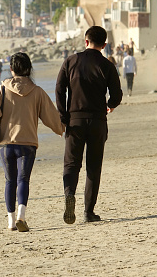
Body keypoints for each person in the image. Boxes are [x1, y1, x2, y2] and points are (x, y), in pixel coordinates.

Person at [0, 52, 64, 232]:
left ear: (12, 69)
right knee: (23, 179)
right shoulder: (37, 91)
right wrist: (60, 129)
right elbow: (50, 116)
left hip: (6, 143)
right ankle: (22, 215)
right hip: (28, 143)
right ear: (29, 69)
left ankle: (11, 222)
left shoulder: (2, 89)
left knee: (9, 180)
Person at [55, 26, 123, 224]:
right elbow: (117, 95)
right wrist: (109, 106)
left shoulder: (71, 61)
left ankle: (69, 194)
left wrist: (63, 116)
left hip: (74, 121)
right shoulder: (107, 65)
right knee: (93, 167)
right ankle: (88, 212)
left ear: (86, 42)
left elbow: (59, 89)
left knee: (71, 164)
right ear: (104, 45)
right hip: (97, 121)